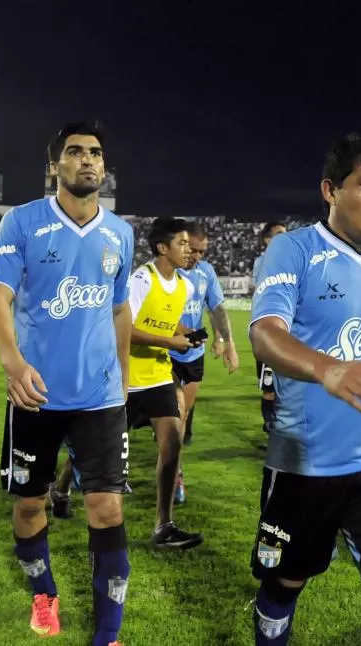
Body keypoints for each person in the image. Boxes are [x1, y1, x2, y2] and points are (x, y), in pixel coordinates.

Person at [248, 133, 361, 645]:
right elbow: (265, 333)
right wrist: (328, 369)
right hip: (305, 464)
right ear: (330, 189)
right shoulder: (294, 249)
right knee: (285, 583)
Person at [0, 121, 135, 646]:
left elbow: (119, 308)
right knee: (30, 505)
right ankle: (43, 596)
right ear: (55, 165)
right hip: (36, 395)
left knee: (107, 507)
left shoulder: (121, 233)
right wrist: (12, 362)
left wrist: (122, 374)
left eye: (95, 152)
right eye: (74, 152)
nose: (87, 160)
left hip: (101, 397)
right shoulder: (22, 223)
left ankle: (107, 634)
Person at [124, 216, 206, 549]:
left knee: (172, 442)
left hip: (158, 376)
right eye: (183, 244)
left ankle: (163, 525)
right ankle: (61, 487)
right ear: (163, 247)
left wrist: (184, 333)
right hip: (126, 379)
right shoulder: (140, 280)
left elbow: (163, 323)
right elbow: (125, 330)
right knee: (97, 451)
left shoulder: (185, 285)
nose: (190, 250)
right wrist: (170, 343)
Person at [170, 221, 239, 450]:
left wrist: (227, 342)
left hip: (193, 354)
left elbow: (217, 309)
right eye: (192, 249)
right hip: (165, 351)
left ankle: (173, 461)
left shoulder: (206, 272)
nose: (197, 256)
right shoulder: (163, 270)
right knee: (173, 412)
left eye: (202, 251)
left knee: (184, 411)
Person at [251, 221, 287, 435]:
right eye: (280, 234)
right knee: (270, 388)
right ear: (267, 240)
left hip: (292, 332)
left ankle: (282, 428)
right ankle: (271, 428)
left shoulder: (294, 260)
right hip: (271, 331)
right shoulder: (263, 262)